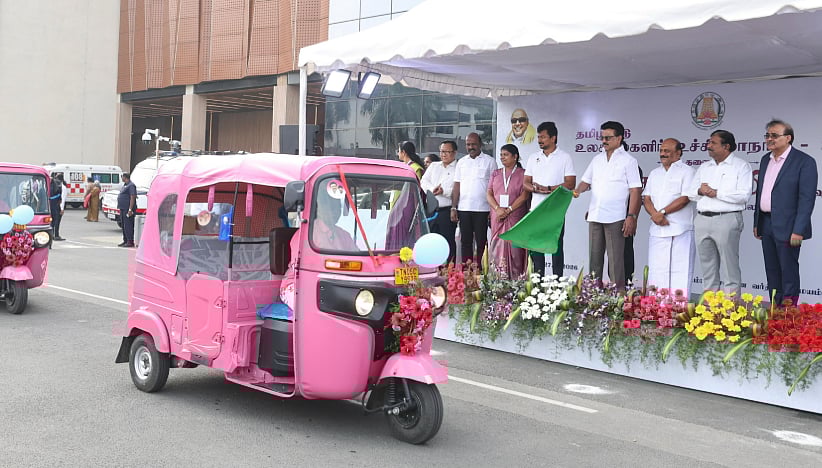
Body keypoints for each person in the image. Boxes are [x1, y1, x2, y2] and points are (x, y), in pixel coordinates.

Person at [753, 119, 817, 306]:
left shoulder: (804, 162)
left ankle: (789, 314)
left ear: (788, 138)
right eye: (767, 135)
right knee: (772, 270)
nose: (769, 139)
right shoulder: (766, 159)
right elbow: (761, 194)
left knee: (788, 270)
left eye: (774, 135)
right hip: (766, 223)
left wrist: (799, 229)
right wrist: (757, 223)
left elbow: (806, 200)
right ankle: (775, 309)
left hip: (790, 227)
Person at [573, 121, 642, 289]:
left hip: (616, 218)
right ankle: (593, 297)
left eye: (608, 138)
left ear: (619, 138)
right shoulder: (597, 159)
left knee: (615, 262)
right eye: (602, 137)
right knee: (594, 260)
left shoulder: (629, 161)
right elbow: (585, 182)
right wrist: (576, 191)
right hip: (595, 215)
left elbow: (635, 191)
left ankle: (617, 299)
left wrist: (631, 216)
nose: (604, 141)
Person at [687, 130, 752, 298]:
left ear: (726, 146)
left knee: (729, 266)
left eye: (713, 143)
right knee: (707, 267)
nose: (708, 146)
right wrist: (700, 190)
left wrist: (717, 193)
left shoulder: (741, 166)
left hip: (727, 218)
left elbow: (744, 195)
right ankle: (709, 311)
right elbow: (691, 194)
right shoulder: (704, 167)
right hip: (702, 219)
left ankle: (731, 312)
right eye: (709, 142)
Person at [643, 138, 696, 295]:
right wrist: (655, 215)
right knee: (656, 271)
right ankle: (655, 310)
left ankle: (677, 312)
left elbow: (685, 198)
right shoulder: (655, 173)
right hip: (658, 229)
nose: (663, 154)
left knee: (680, 271)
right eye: (661, 150)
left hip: (680, 229)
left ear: (678, 153)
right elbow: (646, 198)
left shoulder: (688, 171)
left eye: (667, 151)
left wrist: (662, 213)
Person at [523, 121, 576, 278]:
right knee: (536, 251)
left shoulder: (565, 157)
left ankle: (557, 286)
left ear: (553, 138)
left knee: (556, 249)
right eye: (539, 137)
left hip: (555, 211)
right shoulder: (533, 158)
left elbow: (571, 183)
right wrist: (535, 188)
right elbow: (526, 182)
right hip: (536, 210)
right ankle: (537, 287)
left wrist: (548, 189)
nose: (540, 140)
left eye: (543, 137)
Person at [451, 132, 497, 263]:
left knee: (482, 242)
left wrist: (492, 209)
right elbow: (457, 185)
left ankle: (482, 273)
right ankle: (468, 272)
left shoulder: (490, 161)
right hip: (464, 208)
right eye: (468, 144)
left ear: (480, 144)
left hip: (483, 209)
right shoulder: (461, 162)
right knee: (465, 242)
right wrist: (454, 207)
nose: (470, 147)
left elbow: (495, 187)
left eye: (473, 144)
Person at [486, 144, 529, 278]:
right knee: (497, 246)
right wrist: (498, 209)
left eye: (506, 154)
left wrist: (509, 209)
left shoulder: (524, 174)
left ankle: (517, 279)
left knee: (515, 249)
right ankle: (498, 279)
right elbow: (489, 193)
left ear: (515, 157)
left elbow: (525, 195)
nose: (502, 157)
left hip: (515, 215)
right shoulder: (496, 173)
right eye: (501, 154)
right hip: (497, 216)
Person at [420, 141, 458, 262]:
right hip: (431, 210)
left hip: (447, 211)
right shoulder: (434, 166)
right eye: (441, 151)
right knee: (430, 242)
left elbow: (460, 187)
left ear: (454, 153)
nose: (443, 154)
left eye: (447, 151)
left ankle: (449, 271)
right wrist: (432, 189)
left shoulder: (459, 167)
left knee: (447, 242)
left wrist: (444, 191)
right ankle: (432, 268)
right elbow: (423, 181)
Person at [311, 183, 357, 251]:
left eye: (338, 207)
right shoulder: (308, 233)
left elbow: (357, 255)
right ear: (319, 209)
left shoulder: (344, 235)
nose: (336, 212)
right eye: (332, 207)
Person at [118, 173, 137, 247]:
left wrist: (130, 209)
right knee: (123, 225)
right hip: (122, 208)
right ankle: (125, 240)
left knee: (128, 225)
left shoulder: (131, 185)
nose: (121, 178)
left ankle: (130, 241)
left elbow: (133, 196)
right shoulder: (125, 185)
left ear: (125, 177)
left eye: (122, 177)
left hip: (127, 209)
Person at [49, 173, 67, 241]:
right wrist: (62, 209)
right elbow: (63, 198)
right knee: (57, 221)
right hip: (58, 206)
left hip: (52, 205)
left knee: (53, 221)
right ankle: (56, 235)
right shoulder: (62, 187)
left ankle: (53, 234)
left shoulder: (53, 185)